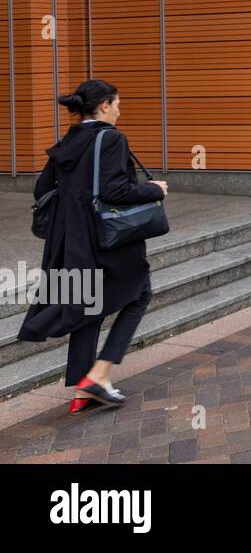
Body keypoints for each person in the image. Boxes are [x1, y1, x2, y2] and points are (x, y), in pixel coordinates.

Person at [19, 79, 167, 413]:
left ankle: (85, 388)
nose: (120, 109)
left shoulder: (68, 140)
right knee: (139, 293)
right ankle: (99, 376)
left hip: (72, 242)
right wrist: (155, 189)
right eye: (117, 103)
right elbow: (116, 192)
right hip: (108, 240)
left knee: (90, 303)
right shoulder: (111, 138)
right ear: (103, 106)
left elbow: (43, 188)